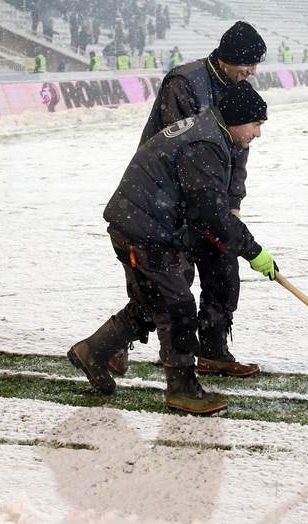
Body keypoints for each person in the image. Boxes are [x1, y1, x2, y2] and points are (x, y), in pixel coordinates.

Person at [68, 81, 275, 415]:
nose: (258, 133)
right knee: (177, 307)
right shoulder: (205, 143)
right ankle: (182, 389)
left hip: (143, 222)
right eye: (257, 124)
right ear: (238, 119)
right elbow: (211, 214)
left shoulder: (210, 132)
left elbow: (205, 210)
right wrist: (254, 252)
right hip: (143, 228)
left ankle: (93, 351)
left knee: (153, 304)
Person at [102, 21, 267, 379]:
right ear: (227, 58)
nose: (252, 72)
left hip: (206, 197)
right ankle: (114, 346)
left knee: (224, 270)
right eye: (248, 63)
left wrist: (232, 202)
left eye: (256, 65)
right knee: (170, 285)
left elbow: (238, 153)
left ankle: (212, 350)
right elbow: (185, 151)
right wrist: (213, 214)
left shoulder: (239, 88)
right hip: (167, 199)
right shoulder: (185, 83)